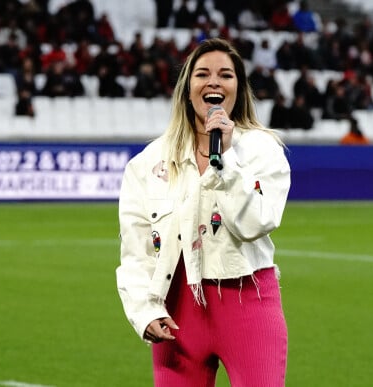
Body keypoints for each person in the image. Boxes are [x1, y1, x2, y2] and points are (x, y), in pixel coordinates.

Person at [116, 38, 291, 387]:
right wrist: (143, 310)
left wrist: (225, 161)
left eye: (225, 75)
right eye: (202, 74)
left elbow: (256, 222)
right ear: (187, 87)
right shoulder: (146, 163)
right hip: (177, 310)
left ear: (238, 89)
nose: (214, 82)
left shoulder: (262, 150)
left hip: (249, 304)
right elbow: (136, 251)